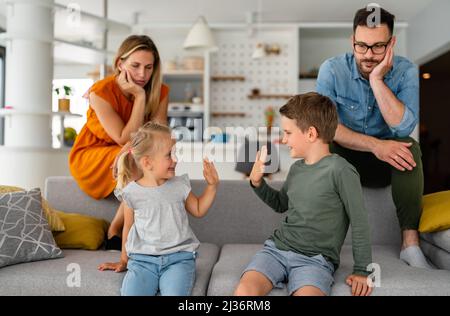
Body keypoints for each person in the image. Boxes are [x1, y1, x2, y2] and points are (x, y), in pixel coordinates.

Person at [316, 6, 431, 268]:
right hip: (347, 157)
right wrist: (376, 145)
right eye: (362, 46)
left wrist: (377, 80)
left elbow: (402, 128)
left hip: (387, 164)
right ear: (352, 41)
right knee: (323, 144)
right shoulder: (332, 70)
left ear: (392, 43)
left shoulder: (406, 71)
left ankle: (410, 245)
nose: (368, 55)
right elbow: (327, 127)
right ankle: (323, 244)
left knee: (409, 146)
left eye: (378, 47)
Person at [234, 93, 373, 297]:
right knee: (244, 292)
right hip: (276, 251)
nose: (283, 139)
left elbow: (360, 222)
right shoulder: (297, 168)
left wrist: (362, 270)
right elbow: (281, 204)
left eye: (288, 133)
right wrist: (257, 182)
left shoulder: (341, 170)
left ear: (310, 134)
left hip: (315, 260)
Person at [69, 35, 170, 249]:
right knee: (138, 158)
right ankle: (118, 231)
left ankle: (115, 229)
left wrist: (134, 145)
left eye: (149, 67)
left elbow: (160, 136)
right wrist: (140, 97)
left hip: (132, 151)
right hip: (92, 154)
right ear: (120, 64)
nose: (142, 74)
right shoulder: (100, 92)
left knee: (154, 159)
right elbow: (123, 137)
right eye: (135, 66)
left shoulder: (160, 91)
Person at [98, 122, 219, 296]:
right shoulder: (131, 192)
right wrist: (124, 260)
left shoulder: (179, 185)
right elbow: (129, 228)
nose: (176, 159)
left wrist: (212, 186)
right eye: (169, 155)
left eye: (175, 153)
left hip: (178, 261)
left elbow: (198, 209)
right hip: (142, 262)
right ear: (147, 162)